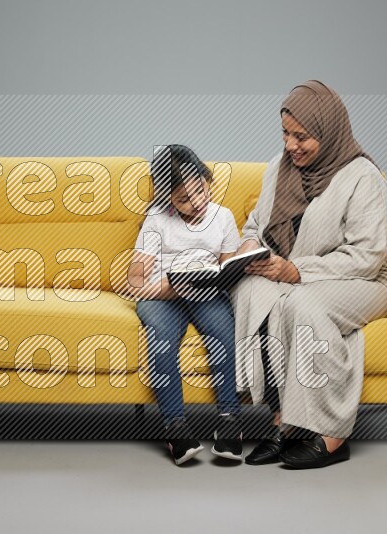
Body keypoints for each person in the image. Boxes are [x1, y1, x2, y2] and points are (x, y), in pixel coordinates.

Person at [231, 80, 387, 469]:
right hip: (294, 274)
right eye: (285, 133)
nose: (291, 145)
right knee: (250, 292)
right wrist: (248, 248)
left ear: (329, 132)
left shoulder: (363, 177)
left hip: (362, 281)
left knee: (301, 304)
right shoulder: (279, 168)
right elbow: (256, 225)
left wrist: (295, 270)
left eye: (302, 136)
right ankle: (285, 420)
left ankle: (332, 433)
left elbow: (368, 256)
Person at [127, 145, 243, 465]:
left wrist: (220, 277)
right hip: (164, 296)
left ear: (207, 179)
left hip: (205, 293)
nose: (196, 203)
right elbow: (135, 281)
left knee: (223, 333)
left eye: (200, 190)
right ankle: (176, 428)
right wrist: (170, 287)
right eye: (183, 199)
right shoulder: (156, 220)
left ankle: (231, 422)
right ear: (167, 199)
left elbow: (228, 271)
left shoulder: (223, 218)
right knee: (161, 341)